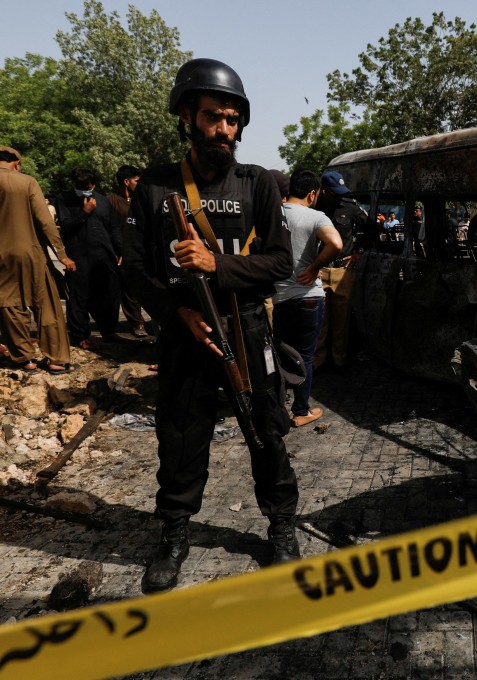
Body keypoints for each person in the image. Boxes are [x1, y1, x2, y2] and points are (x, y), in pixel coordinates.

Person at [123, 58, 301, 593]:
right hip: (186, 333)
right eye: (211, 117)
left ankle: (282, 526)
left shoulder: (258, 184)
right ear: (186, 117)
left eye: (231, 119)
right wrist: (178, 310)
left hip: (246, 330)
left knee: (266, 430)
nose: (223, 129)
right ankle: (175, 534)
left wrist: (216, 266)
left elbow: (279, 263)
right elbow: (133, 270)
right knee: (180, 438)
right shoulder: (154, 187)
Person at [273, 170, 342, 426]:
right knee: (305, 356)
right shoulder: (315, 216)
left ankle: (277, 407)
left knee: (280, 354)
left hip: (280, 298)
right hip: (309, 298)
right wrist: (313, 267)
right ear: (313, 194)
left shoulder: (273, 213)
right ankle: (301, 411)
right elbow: (336, 244)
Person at [0, 146, 77, 373]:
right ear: (16, 163)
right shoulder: (26, 182)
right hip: (30, 252)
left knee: (9, 304)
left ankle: (25, 359)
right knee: (46, 304)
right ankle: (55, 359)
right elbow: (45, 221)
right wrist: (61, 254)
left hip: (2, 257)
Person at [54, 166, 123, 349]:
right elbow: (66, 226)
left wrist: (121, 250)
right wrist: (84, 212)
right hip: (78, 255)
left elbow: (113, 227)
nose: (88, 189)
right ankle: (80, 336)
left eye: (91, 185)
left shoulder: (102, 200)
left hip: (104, 254)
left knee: (110, 292)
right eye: (84, 186)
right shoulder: (64, 199)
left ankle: (108, 330)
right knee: (79, 297)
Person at [314, 170, 369, 371]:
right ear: (324, 191)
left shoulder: (350, 207)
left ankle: (339, 360)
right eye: (335, 192)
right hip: (317, 271)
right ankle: (318, 361)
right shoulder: (313, 208)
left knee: (341, 322)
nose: (339, 196)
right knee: (319, 321)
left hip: (341, 272)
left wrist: (359, 251)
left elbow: (372, 228)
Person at [108, 164, 149, 338]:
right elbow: (110, 228)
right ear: (126, 182)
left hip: (143, 250)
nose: (139, 184)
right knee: (127, 290)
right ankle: (136, 323)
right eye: (136, 181)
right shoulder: (111, 201)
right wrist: (119, 251)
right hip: (121, 253)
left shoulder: (143, 199)